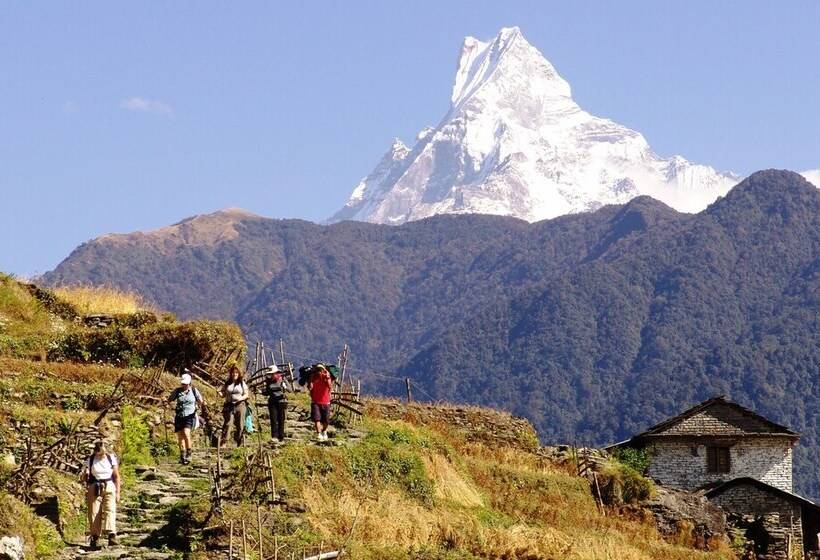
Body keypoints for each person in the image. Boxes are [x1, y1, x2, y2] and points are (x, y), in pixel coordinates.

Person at [83, 440, 120, 549]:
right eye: (99, 454)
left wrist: (118, 492)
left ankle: (111, 535)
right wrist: (85, 474)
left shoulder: (110, 458)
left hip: (109, 485)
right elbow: (83, 477)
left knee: (110, 509)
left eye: (102, 454)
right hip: (95, 486)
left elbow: (116, 476)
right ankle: (95, 537)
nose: (101, 456)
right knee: (94, 512)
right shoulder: (90, 460)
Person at [167, 371, 205, 464]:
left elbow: (200, 401)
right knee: (180, 436)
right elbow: (170, 399)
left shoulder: (194, 391)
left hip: (190, 415)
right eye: (183, 383)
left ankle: (189, 454)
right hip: (179, 415)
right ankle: (182, 456)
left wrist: (199, 405)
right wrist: (165, 400)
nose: (184, 385)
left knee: (186, 433)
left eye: (186, 383)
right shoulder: (177, 391)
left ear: (189, 383)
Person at [220, 365, 249, 447]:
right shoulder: (227, 383)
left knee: (240, 424)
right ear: (231, 373)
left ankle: (239, 442)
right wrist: (220, 393)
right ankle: (224, 442)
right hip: (229, 405)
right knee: (228, 423)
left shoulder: (242, 383)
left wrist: (241, 398)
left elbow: (246, 394)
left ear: (239, 373)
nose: (234, 374)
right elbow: (223, 394)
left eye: (236, 372)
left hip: (240, 405)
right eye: (233, 372)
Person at [262, 365, 289, 442]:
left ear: (276, 372)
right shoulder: (268, 381)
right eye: (271, 373)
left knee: (281, 419)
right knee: (273, 419)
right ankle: (274, 436)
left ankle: (281, 437)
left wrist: (285, 387)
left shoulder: (282, 379)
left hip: (281, 401)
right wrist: (262, 392)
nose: (272, 375)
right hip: (272, 402)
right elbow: (267, 392)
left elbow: (290, 389)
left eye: (273, 373)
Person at [307, 363, 333, 441]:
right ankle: (319, 433)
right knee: (317, 419)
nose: (319, 371)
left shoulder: (326, 378)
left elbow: (330, 386)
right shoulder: (313, 378)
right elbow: (310, 387)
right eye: (318, 370)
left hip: (326, 402)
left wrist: (327, 377)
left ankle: (324, 431)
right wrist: (311, 380)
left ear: (323, 370)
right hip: (315, 401)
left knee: (326, 420)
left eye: (321, 370)